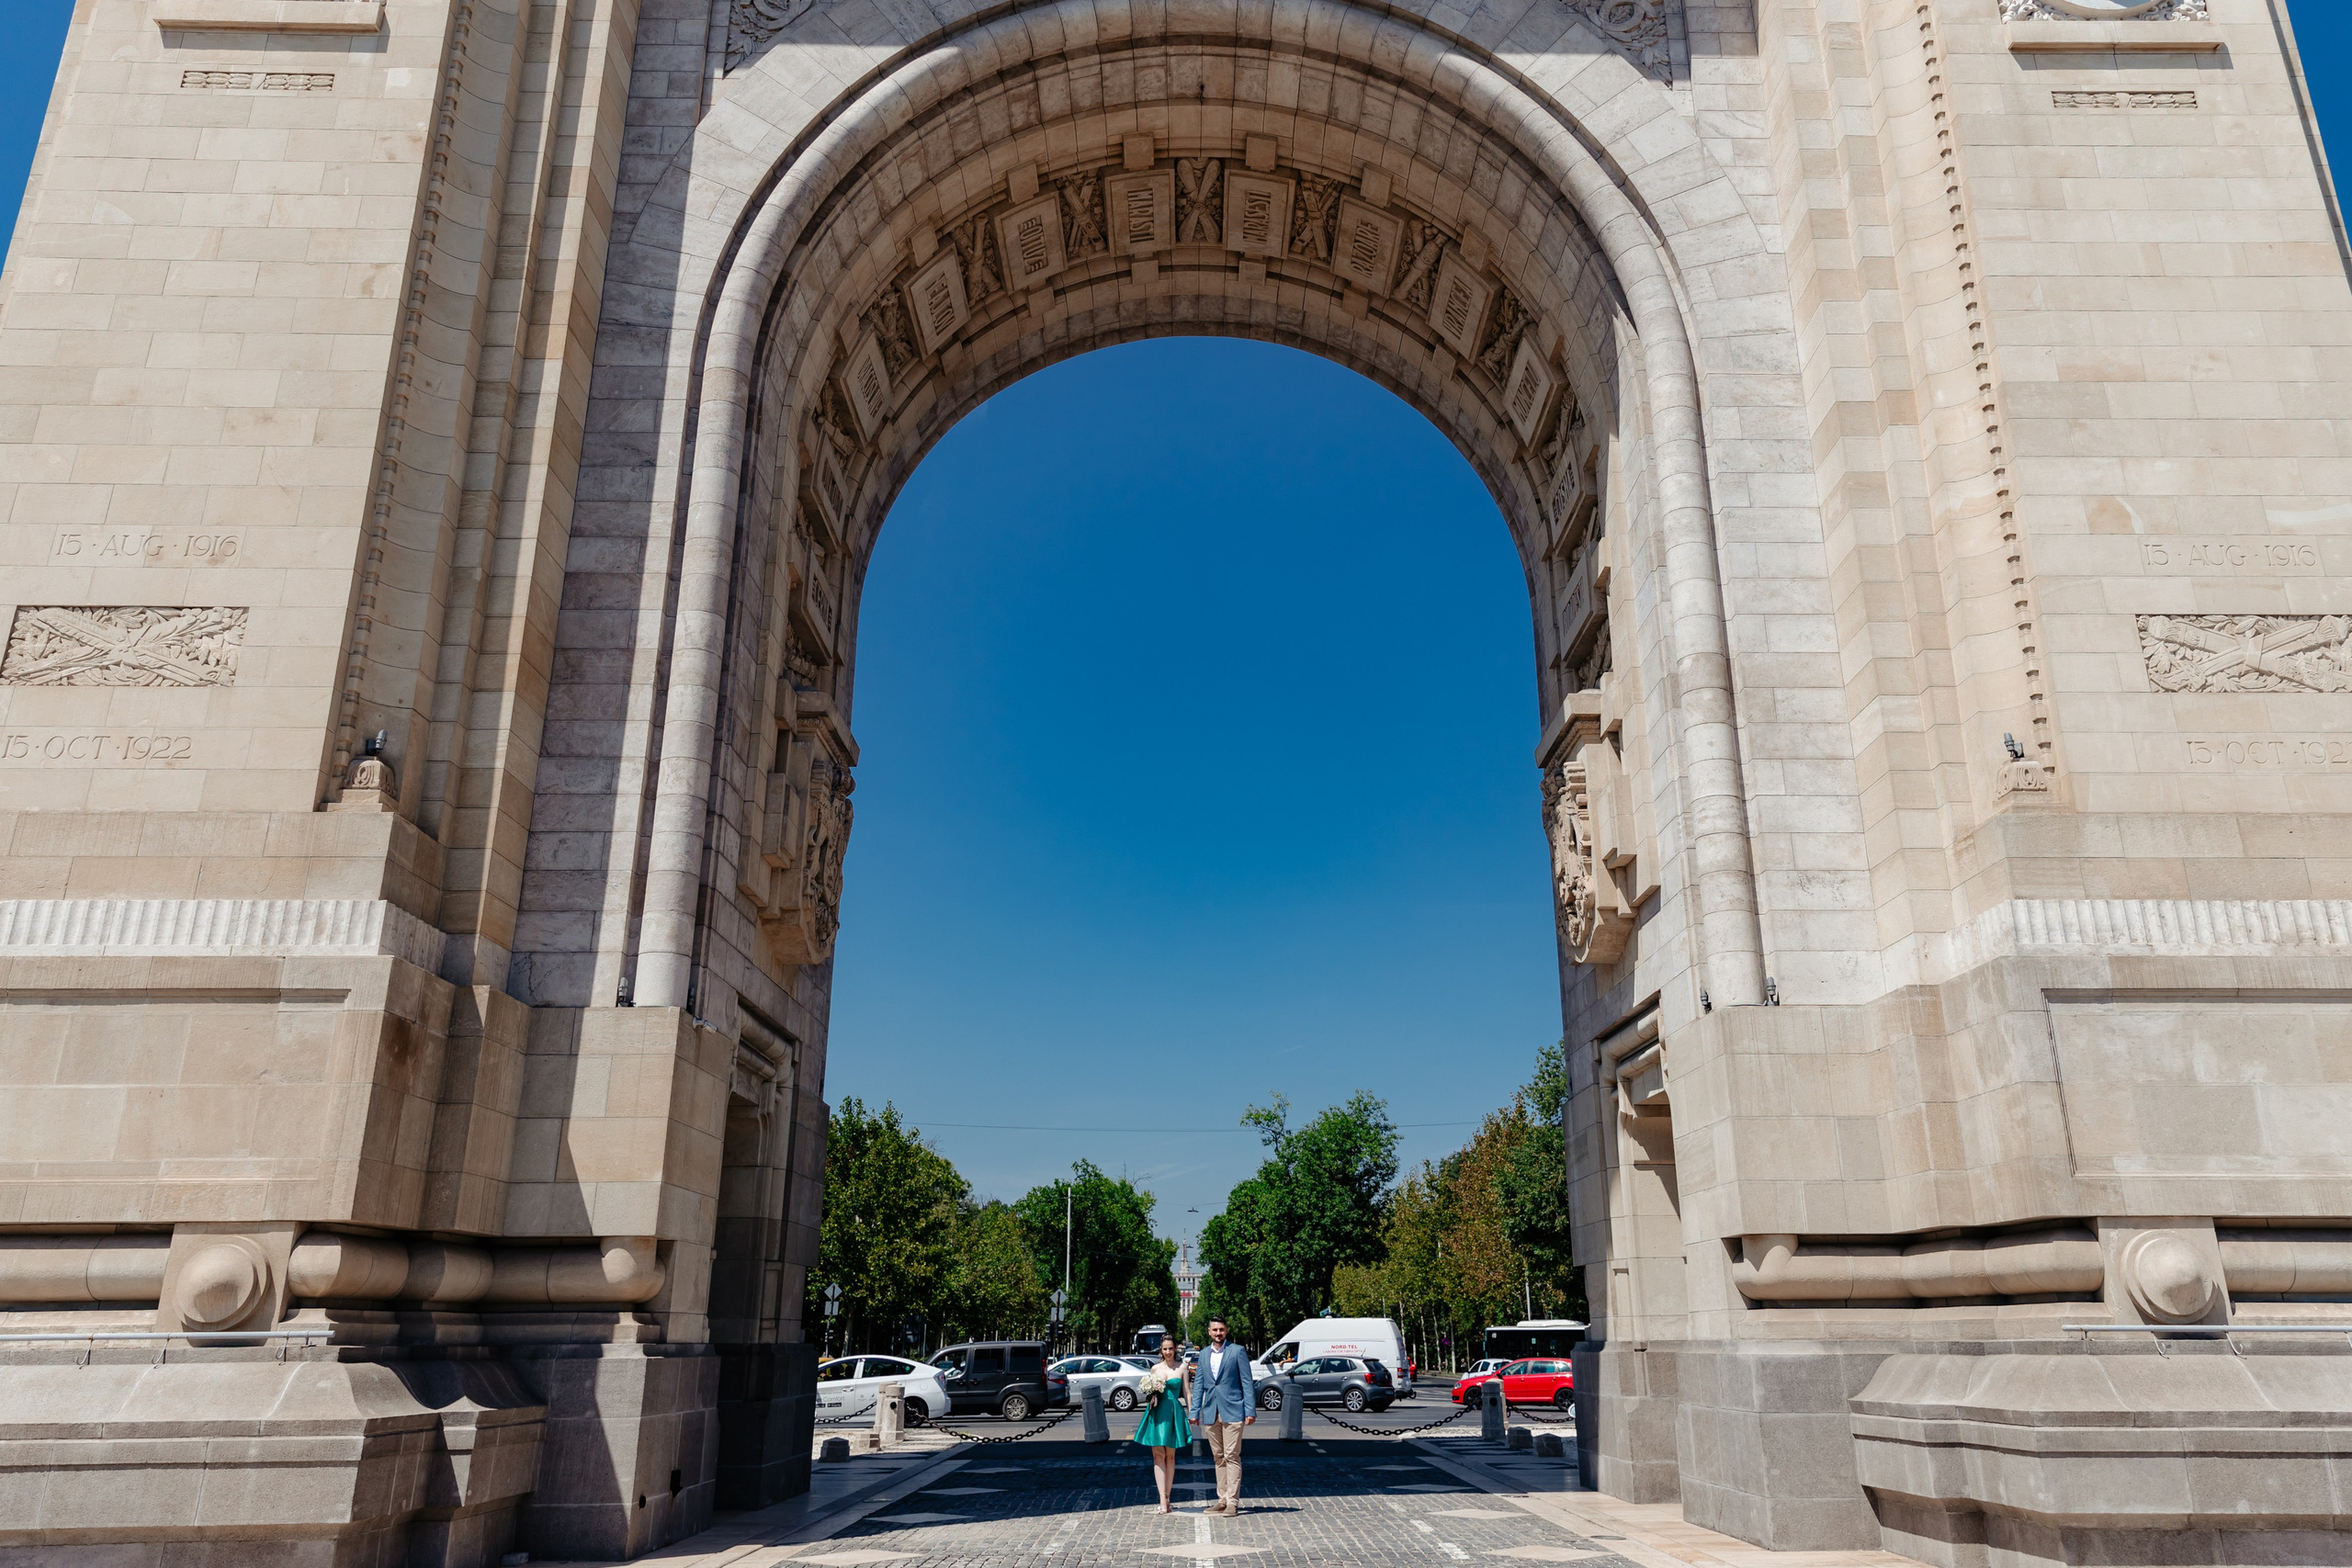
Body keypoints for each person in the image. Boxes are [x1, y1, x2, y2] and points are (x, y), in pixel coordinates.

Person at [1188, 1314, 1255, 1515]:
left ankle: (1233, 1502)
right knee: (1218, 1457)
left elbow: (1247, 1382)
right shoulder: (1204, 1354)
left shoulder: (1238, 1352)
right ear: (1209, 1332)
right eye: (1215, 1330)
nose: (1218, 1333)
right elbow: (1198, 1384)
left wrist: (1250, 1410)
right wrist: (1194, 1412)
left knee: (1231, 1455)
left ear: (1226, 1331)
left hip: (1233, 1411)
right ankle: (1222, 1500)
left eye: (1221, 1330)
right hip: (1210, 1412)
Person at [1131, 1334, 1193, 1513]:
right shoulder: (1155, 1369)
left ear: (1175, 1349)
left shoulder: (1182, 1368)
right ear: (1161, 1350)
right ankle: (1162, 1498)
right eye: (1164, 1349)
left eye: (1170, 1348)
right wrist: (1151, 1396)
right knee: (1158, 1456)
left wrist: (1192, 1413)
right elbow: (1149, 1393)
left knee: (1170, 1456)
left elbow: (1187, 1392)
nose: (1167, 1352)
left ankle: (1168, 1496)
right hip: (1157, 1413)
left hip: (1173, 1412)